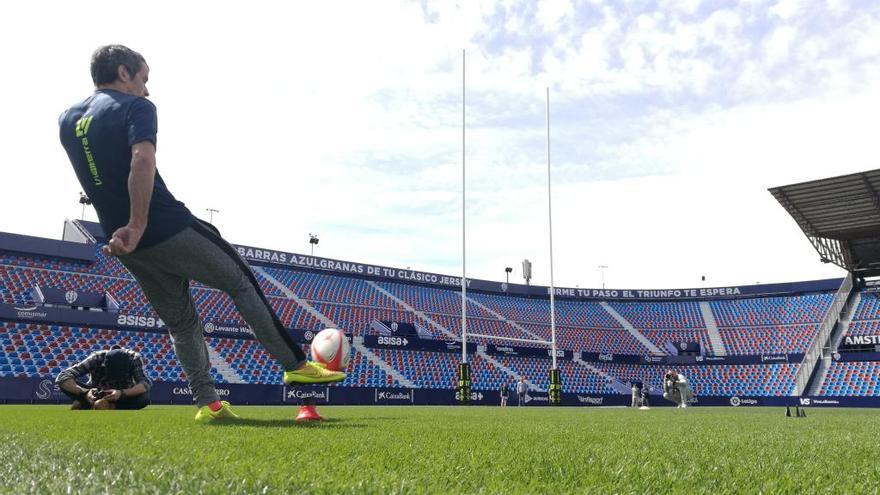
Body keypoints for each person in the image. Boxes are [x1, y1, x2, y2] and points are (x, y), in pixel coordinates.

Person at [59, 45, 346, 422]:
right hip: (163, 225)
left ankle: (207, 404)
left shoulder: (67, 118)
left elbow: (96, 177)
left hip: (125, 244)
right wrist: (140, 222)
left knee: (181, 322)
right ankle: (294, 363)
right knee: (241, 281)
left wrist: (127, 230)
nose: (146, 90)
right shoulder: (137, 107)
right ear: (124, 72)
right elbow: (141, 159)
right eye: (144, 79)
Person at [56, 345, 151, 410]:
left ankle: (89, 405)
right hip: (93, 392)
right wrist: (85, 392)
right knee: (64, 383)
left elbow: (145, 383)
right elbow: (63, 376)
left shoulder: (134, 358)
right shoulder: (96, 357)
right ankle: (97, 403)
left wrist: (122, 393)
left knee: (144, 399)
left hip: (122, 395)